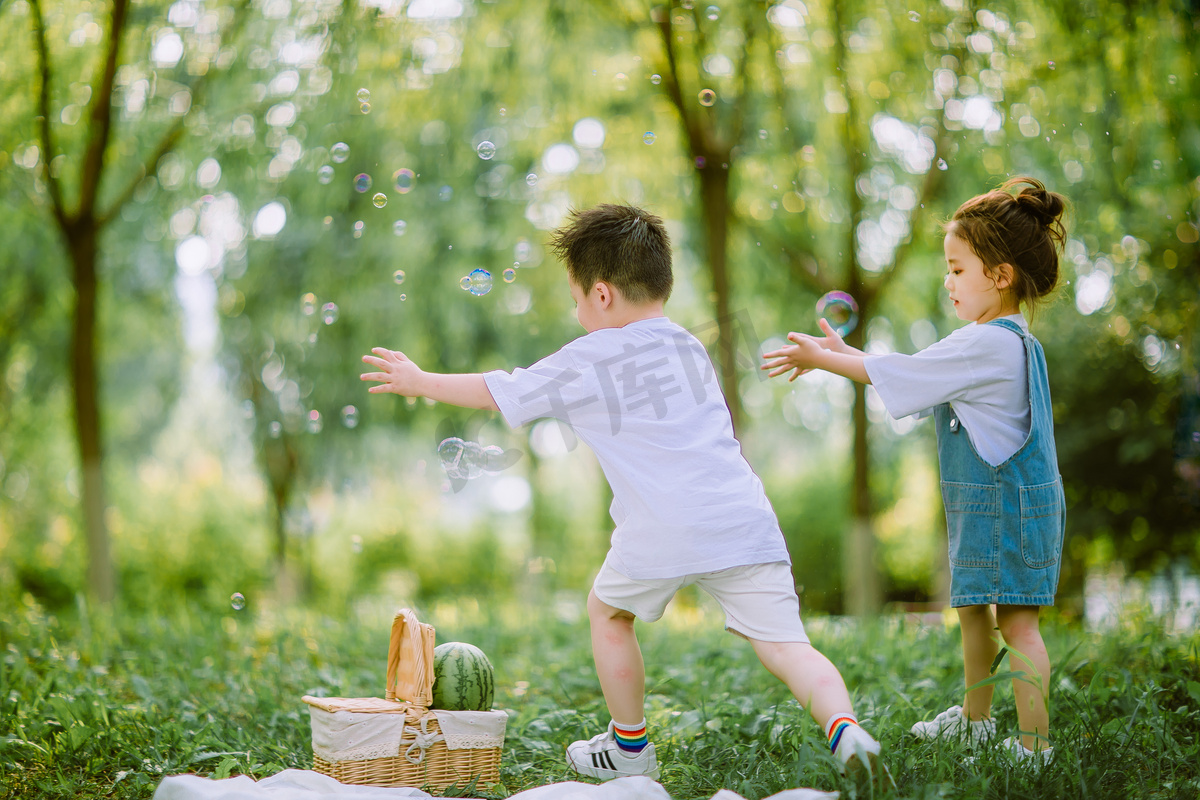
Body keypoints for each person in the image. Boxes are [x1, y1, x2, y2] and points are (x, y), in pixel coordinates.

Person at [361, 204, 888, 785]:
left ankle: (630, 748)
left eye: (577, 299)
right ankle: (846, 729)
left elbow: (499, 391)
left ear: (603, 295)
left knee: (607, 613)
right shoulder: (689, 346)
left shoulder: (590, 356)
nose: (577, 313)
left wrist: (420, 380)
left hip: (659, 527)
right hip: (742, 518)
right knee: (789, 647)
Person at [762, 177, 1068, 767]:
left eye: (958, 270)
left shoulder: (990, 347)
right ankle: (977, 723)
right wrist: (841, 352)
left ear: (999, 276)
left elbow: (898, 375)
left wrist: (821, 360)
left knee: (1018, 626)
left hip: (1008, 509)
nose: (948, 281)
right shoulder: (994, 340)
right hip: (1000, 505)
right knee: (975, 610)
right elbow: (908, 368)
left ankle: (1034, 747)